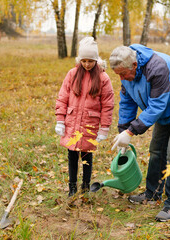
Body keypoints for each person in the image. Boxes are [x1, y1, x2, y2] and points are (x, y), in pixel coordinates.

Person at [109, 44, 170, 221]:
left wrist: (131, 132)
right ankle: (152, 194)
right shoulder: (126, 73)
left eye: (122, 74)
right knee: (157, 150)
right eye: (118, 75)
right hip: (163, 110)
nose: (121, 78)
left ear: (134, 65)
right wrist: (123, 131)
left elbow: (158, 105)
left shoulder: (157, 68)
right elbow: (127, 102)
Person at [55, 37, 114, 197]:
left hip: (90, 124)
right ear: (79, 59)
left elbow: (107, 105)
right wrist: (60, 120)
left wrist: (104, 128)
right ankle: (72, 187)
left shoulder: (103, 78)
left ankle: (86, 186)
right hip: (72, 122)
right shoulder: (72, 74)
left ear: (96, 60)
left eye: (90, 61)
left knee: (87, 155)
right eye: (84, 60)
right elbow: (63, 97)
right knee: (72, 155)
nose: (87, 64)